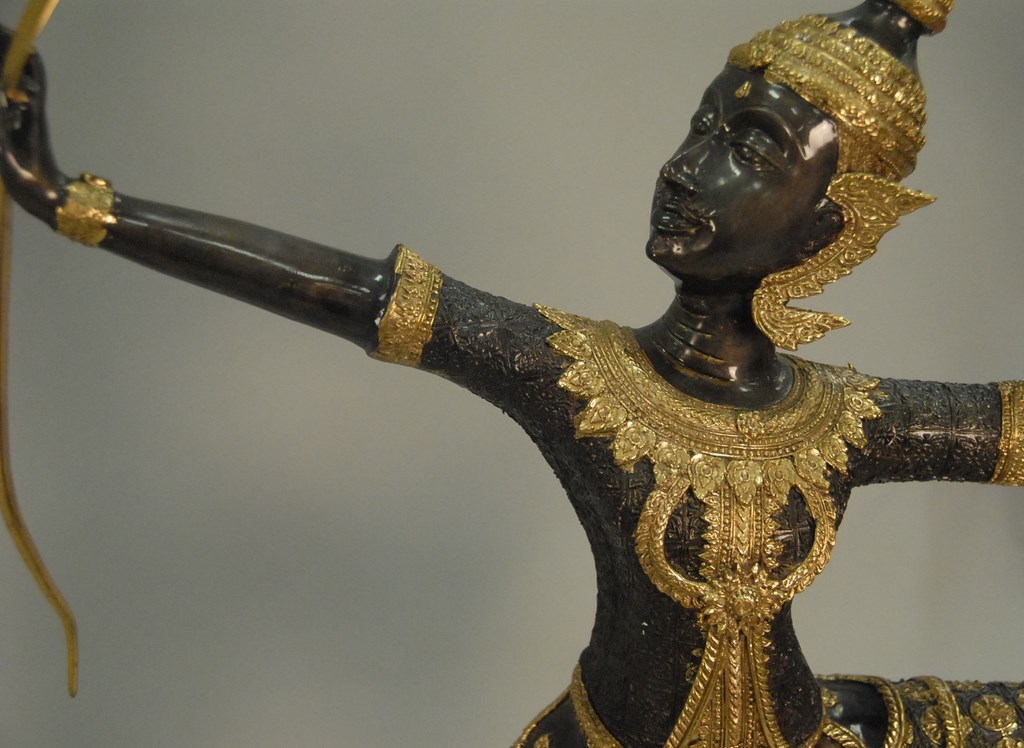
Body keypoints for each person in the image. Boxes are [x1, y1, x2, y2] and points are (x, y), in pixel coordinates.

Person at [1, 1, 1021, 747]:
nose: (685, 167)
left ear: (830, 224)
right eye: (701, 126)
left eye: (749, 150)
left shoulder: (845, 418)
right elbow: (352, 290)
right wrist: (77, 204)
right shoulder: (578, 372)